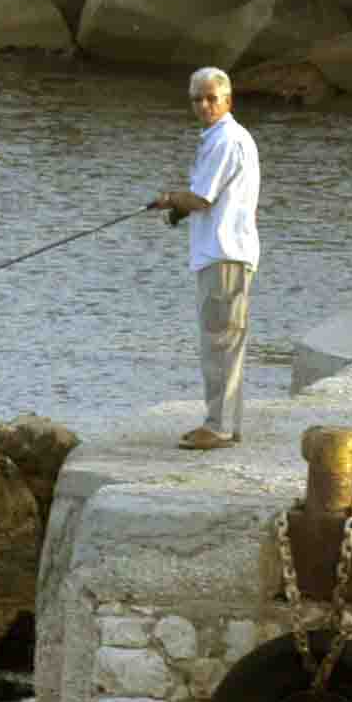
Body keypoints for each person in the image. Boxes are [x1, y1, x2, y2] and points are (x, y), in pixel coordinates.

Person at [150, 67, 260, 451]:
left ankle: (219, 427)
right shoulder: (224, 138)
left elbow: (201, 198)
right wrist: (180, 209)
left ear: (228, 100)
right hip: (225, 253)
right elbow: (206, 199)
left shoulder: (226, 140)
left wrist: (170, 199)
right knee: (225, 341)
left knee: (219, 342)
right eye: (197, 98)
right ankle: (228, 424)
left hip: (224, 255)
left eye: (211, 97)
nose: (204, 105)